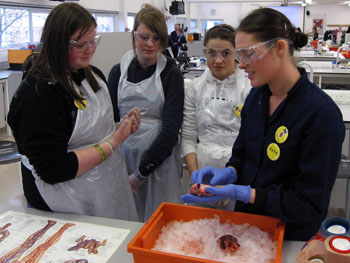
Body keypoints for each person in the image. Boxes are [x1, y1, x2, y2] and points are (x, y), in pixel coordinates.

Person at [182, 8, 345, 241]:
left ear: (279, 48)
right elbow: (242, 154)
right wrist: (230, 172)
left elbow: (309, 202)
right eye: (239, 54)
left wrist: (245, 193)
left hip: (288, 236)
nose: (242, 64)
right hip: (246, 227)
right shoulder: (257, 98)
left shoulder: (320, 115)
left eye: (248, 54)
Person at [7, 3, 141, 221]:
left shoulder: (92, 75)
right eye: (81, 44)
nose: (90, 50)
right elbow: (53, 169)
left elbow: (95, 130)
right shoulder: (39, 93)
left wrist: (121, 129)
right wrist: (114, 142)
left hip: (104, 187)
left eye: (93, 41)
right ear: (58, 43)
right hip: (63, 201)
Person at [108, 4, 184, 222]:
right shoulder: (117, 72)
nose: (150, 44)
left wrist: (141, 173)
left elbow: (170, 131)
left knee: (158, 222)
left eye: (157, 38)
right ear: (134, 36)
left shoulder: (171, 74)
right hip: (122, 158)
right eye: (144, 37)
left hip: (158, 161)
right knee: (125, 220)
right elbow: (110, 121)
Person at [181, 24, 251, 185]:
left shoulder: (249, 88)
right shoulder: (196, 87)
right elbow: (188, 137)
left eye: (225, 53)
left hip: (240, 174)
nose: (218, 60)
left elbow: (253, 142)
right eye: (212, 53)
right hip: (203, 168)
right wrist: (197, 179)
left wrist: (232, 184)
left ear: (236, 53)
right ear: (204, 52)